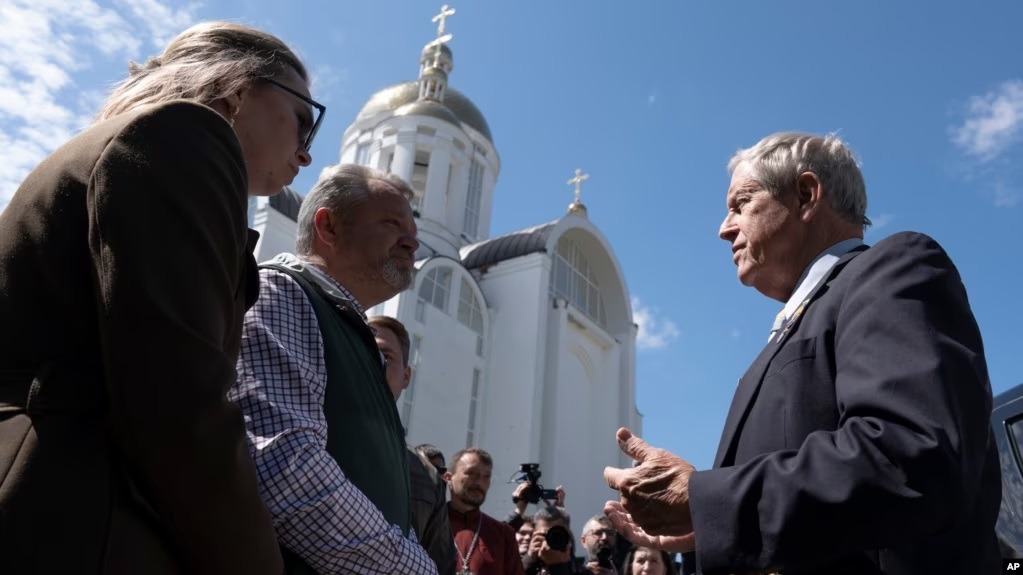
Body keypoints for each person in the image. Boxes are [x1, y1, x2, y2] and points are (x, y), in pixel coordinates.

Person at [604, 132, 1002, 575]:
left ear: (806, 195)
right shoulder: (787, 333)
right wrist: (713, 525)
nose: (723, 228)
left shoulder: (894, 270)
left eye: (741, 204)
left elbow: (911, 457)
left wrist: (706, 498)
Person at [0, 21, 316, 574]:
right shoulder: (188, 136)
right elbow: (178, 399)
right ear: (238, 88)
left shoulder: (129, 142)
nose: (307, 155)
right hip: (76, 517)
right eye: (304, 122)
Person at [230, 163, 435, 573]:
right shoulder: (283, 293)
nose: (412, 243)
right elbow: (283, 468)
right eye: (392, 223)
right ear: (329, 227)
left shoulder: (349, 330)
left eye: (413, 230)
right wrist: (411, 567)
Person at [369, 315, 457, 575]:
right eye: (361, 351)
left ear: (406, 377)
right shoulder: (306, 438)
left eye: (385, 355)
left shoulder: (427, 477)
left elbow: (441, 566)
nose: (372, 362)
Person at [446, 447, 525, 575]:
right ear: (449, 478)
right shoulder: (429, 524)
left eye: (486, 477)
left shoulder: (503, 534)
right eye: (471, 473)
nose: (479, 482)